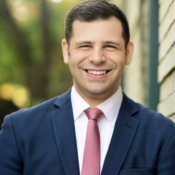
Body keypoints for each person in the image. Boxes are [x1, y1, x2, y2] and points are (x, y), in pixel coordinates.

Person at [0, 0, 175, 174]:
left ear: (128, 53)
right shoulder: (19, 130)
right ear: (66, 51)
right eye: (85, 46)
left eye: (109, 46)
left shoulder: (163, 135)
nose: (97, 58)